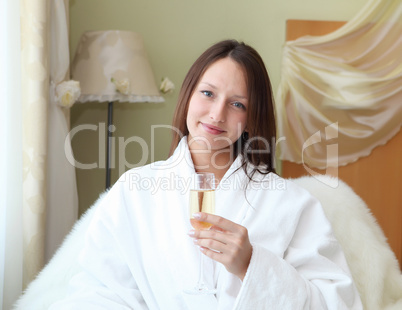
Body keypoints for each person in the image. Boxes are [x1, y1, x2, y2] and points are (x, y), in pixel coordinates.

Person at [50, 40, 362, 309]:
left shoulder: (293, 205)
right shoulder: (134, 192)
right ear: (188, 96)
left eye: (237, 104)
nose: (217, 114)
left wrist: (252, 265)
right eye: (208, 94)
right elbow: (98, 293)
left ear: (252, 119)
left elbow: (335, 303)